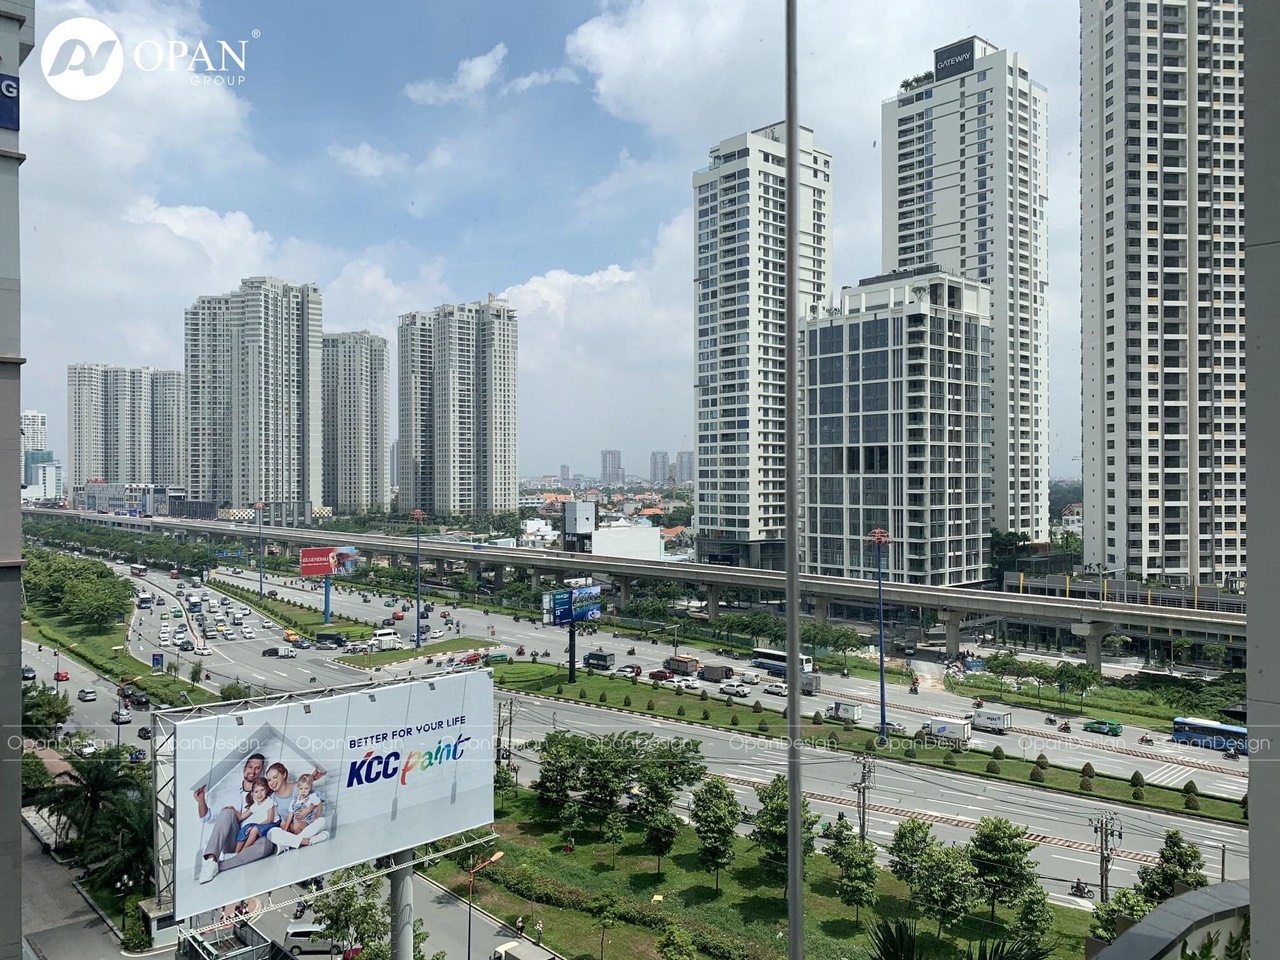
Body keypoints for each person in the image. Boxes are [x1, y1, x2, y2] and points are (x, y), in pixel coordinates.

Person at [233, 778, 279, 854]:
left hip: (272, 824)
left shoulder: (269, 801)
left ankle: (243, 852)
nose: (259, 794)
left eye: (262, 790)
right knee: (245, 828)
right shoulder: (255, 805)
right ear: (252, 793)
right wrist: (233, 809)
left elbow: (270, 819)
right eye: (256, 792)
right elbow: (241, 817)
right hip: (261, 825)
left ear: (267, 790)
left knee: (254, 830)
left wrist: (255, 827)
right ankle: (236, 852)